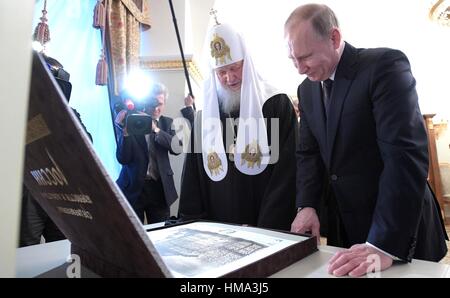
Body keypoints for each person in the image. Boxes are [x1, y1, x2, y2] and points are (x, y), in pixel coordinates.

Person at [285, 4, 448, 276]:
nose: (300, 69)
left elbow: (404, 157)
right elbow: (308, 155)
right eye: (292, 59)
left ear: (334, 39)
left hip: (398, 233)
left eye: (306, 57)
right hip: (347, 233)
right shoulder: (306, 90)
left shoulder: (384, 67)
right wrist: (307, 205)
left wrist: (382, 243)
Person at [178, 23, 297, 231]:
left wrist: (266, 226)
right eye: (221, 71)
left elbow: (287, 172)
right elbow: (193, 177)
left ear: (247, 63)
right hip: (217, 228)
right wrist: (195, 224)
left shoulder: (275, 104)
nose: (229, 78)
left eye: (234, 68)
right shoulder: (204, 115)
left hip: (264, 223)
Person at [20, 54, 92, 246]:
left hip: (62, 192)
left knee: (61, 245)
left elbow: (88, 145)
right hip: (30, 192)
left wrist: (63, 115)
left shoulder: (71, 113)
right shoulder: (19, 111)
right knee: (26, 245)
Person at [115, 83, 181, 224]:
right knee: (133, 235)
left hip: (159, 188)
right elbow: (123, 158)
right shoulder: (131, 121)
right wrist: (124, 133)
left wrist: (155, 129)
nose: (156, 108)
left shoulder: (167, 123)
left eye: (160, 104)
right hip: (133, 187)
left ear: (165, 103)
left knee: (161, 235)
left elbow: (177, 148)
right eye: (152, 103)